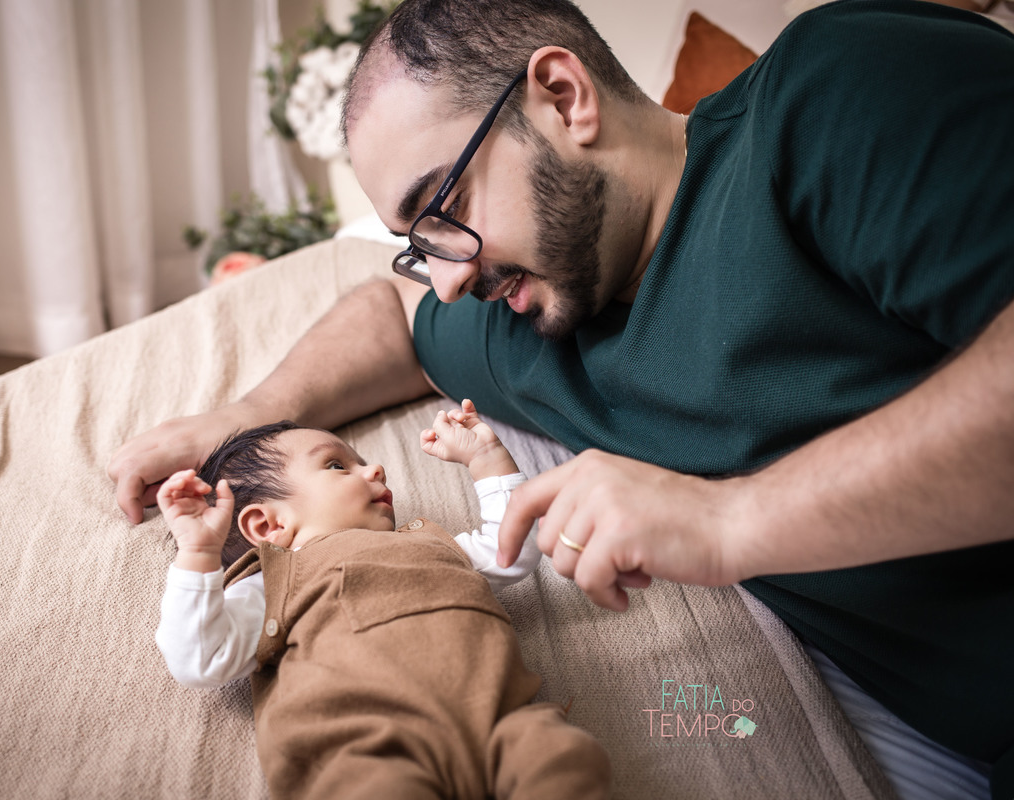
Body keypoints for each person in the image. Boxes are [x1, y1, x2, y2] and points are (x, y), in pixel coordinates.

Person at [113, 0, 1013, 794]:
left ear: (563, 96)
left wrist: (727, 522)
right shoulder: (536, 314)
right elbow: (390, 312)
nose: (448, 279)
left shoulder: (835, 88)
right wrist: (248, 419)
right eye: (418, 241)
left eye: (443, 208)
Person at [153, 400, 613, 800]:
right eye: (336, 466)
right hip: (367, 746)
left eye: (362, 461)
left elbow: (510, 551)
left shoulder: (431, 545)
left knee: (568, 759)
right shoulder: (273, 583)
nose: (375, 469)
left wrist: (488, 459)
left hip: (502, 725)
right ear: (270, 527)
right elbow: (201, 657)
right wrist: (199, 554)